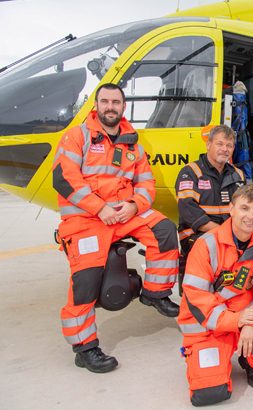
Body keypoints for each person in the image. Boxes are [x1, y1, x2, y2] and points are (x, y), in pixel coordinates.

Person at [53, 83, 179, 373]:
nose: (111, 107)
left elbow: (146, 183)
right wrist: (101, 208)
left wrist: (135, 205)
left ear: (124, 107)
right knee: (85, 284)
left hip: (123, 214)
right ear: (96, 105)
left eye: (116, 102)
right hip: (87, 220)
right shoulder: (77, 136)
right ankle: (84, 348)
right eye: (105, 101)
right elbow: (64, 179)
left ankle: (155, 293)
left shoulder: (133, 143)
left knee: (164, 231)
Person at [177, 183, 253, 406]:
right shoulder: (205, 244)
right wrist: (236, 320)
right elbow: (196, 295)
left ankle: (251, 360)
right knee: (209, 394)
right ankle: (220, 358)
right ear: (231, 209)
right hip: (209, 326)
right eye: (245, 208)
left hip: (247, 318)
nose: (251, 216)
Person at [176, 124, 245, 258]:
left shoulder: (238, 175)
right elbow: (188, 209)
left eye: (229, 146)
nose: (224, 149)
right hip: (196, 234)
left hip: (231, 235)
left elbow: (246, 208)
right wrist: (222, 232)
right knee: (219, 253)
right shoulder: (190, 172)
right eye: (220, 144)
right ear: (208, 145)